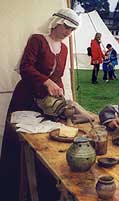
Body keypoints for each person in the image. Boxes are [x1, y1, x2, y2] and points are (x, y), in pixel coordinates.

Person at [0, 8, 80, 201]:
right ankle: (13, 185)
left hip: (46, 102)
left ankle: (41, 184)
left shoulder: (64, 49)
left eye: (71, 30)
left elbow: (57, 77)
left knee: (43, 142)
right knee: (22, 140)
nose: (67, 33)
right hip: (26, 98)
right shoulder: (37, 40)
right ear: (56, 23)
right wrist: (46, 82)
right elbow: (25, 67)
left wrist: (60, 93)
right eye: (66, 28)